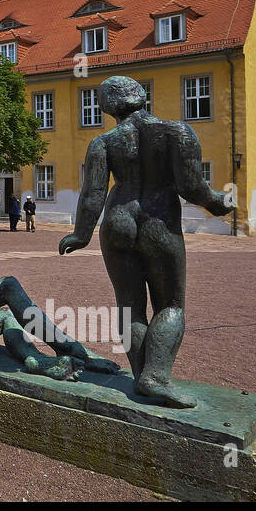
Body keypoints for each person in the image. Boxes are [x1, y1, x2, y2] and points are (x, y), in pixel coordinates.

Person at [59, 76, 233, 408]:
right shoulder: (176, 132)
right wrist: (217, 202)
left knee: (130, 306)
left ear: (107, 107)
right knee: (170, 305)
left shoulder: (104, 142)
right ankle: (155, 377)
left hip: (118, 220)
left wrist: (80, 234)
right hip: (159, 221)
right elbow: (192, 186)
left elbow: (92, 194)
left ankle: (143, 379)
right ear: (141, 96)